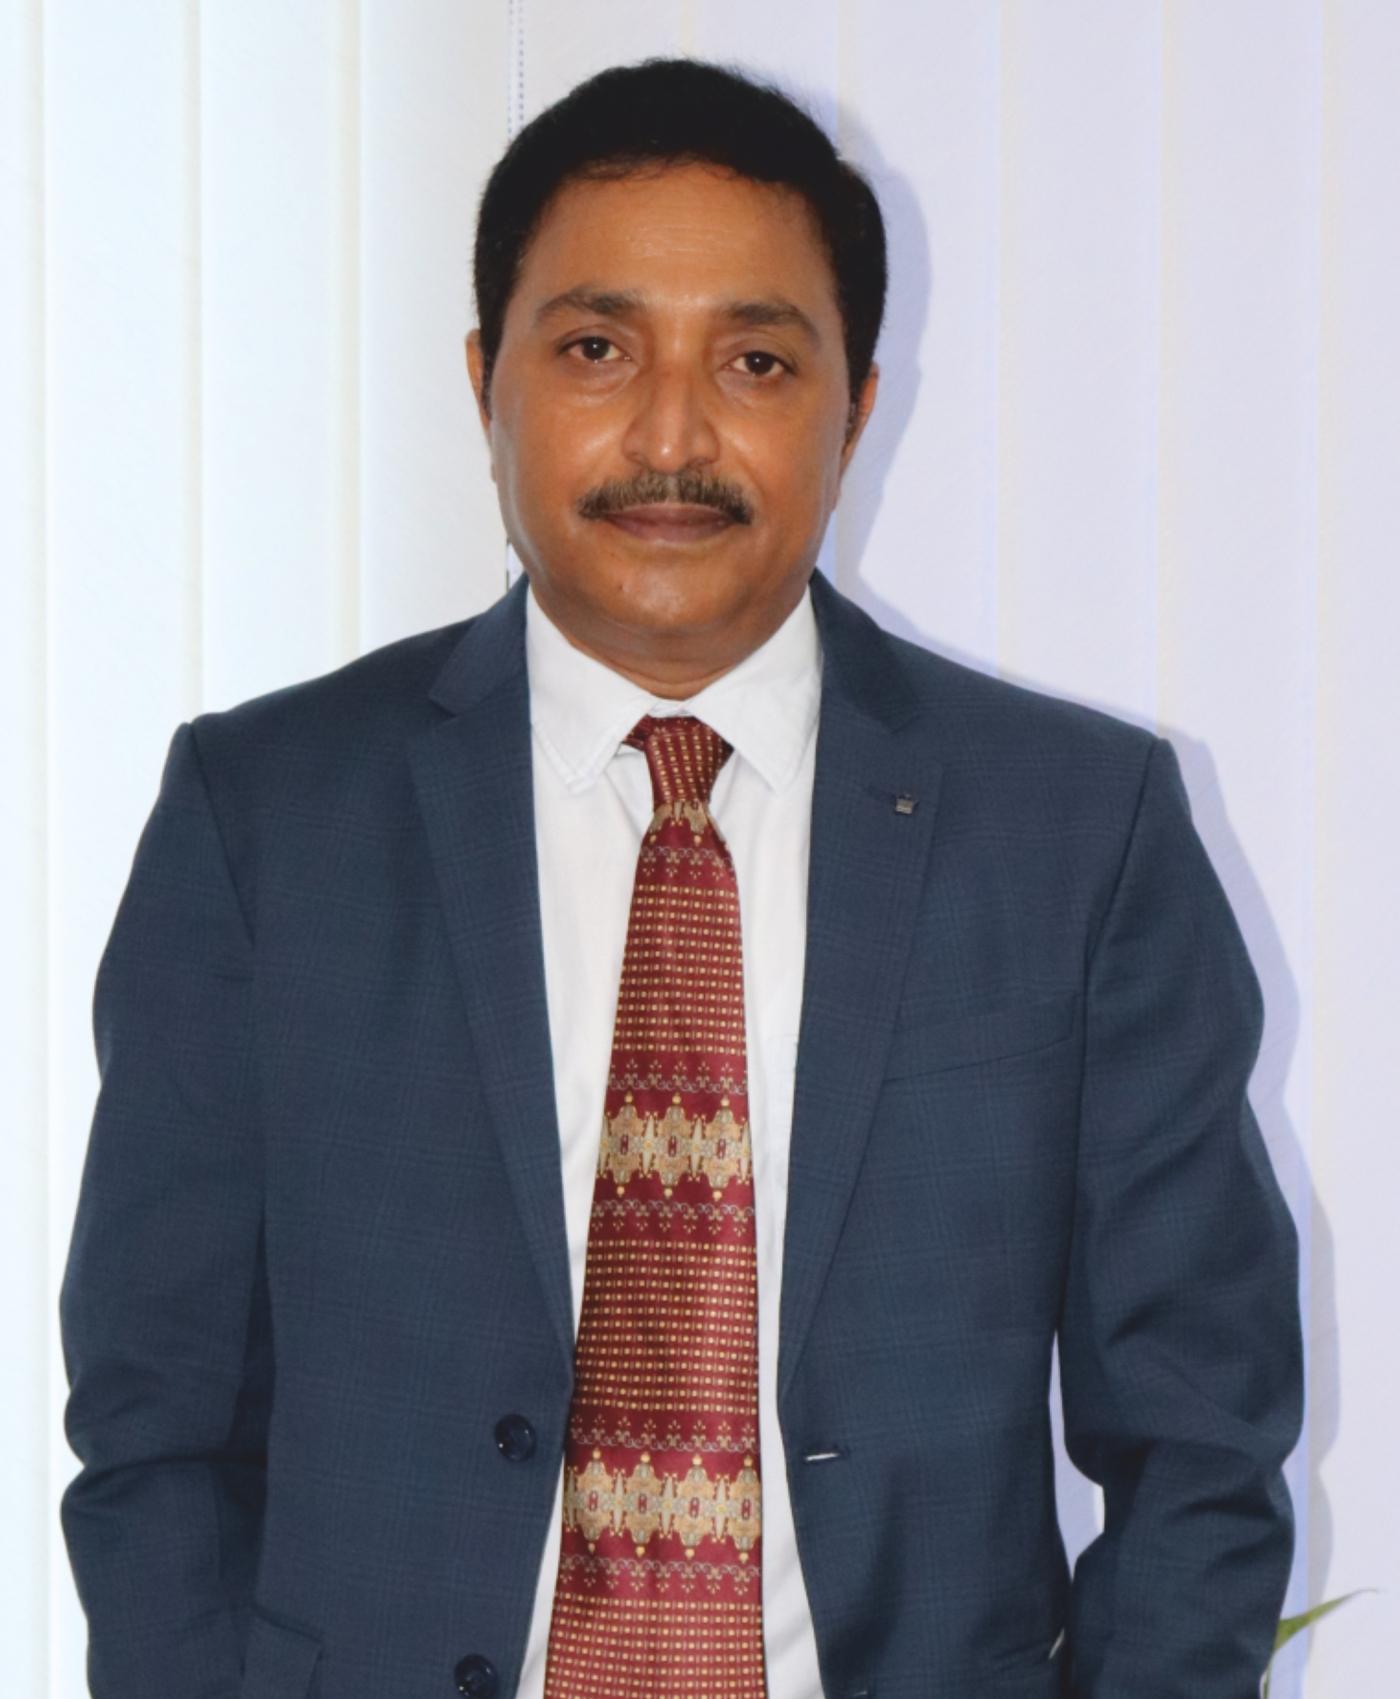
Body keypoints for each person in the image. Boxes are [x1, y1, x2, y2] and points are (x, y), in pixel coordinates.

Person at [58, 54, 1303, 1699]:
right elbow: (156, 1420)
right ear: (485, 384)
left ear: (856, 408)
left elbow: (1201, 1437)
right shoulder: (268, 819)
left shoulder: (1078, 831)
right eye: (596, 348)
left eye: (756, 360)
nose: (671, 433)